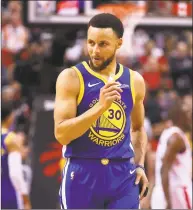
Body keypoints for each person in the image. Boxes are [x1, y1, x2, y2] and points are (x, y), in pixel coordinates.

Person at [54, 13, 148, 209]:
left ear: (119, 43)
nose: (95, 50)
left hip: (122, 175)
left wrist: (139, 165)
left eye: (103, 44)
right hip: (82, 173)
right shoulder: (71, 77)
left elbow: (138, 129)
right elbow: (62, 134)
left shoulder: (134, 81)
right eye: (91, 43)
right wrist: (99, 108)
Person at [151, 100, 192, 209]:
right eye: (188, 114)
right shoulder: (177, 138)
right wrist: (168, 201)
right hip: (175, 194)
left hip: (163, 192)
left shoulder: (168, 133)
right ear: (179, 116)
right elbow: (164, 169)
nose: (190, 117)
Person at [1, 101, 31, 209]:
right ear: (9, 117)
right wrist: (25, 199)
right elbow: (15, 173)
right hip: (7, 190)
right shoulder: (11, 139)